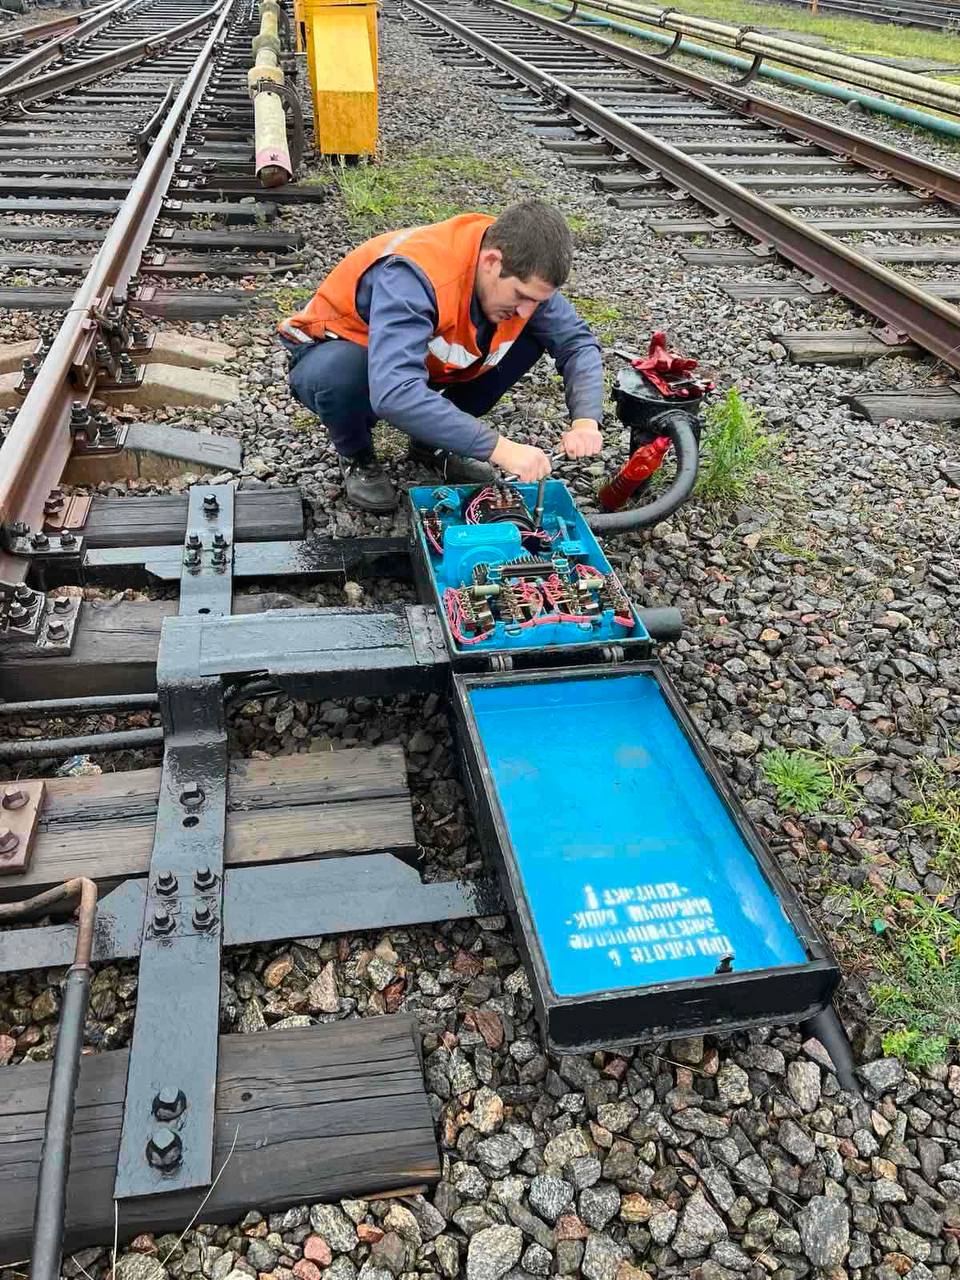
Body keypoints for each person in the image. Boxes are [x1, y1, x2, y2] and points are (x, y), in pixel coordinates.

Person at [278, 199, 604, 512]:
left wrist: (586, 421)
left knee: (532, 333)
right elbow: (394, 392)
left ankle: (429, 442)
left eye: (537, 301)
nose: (526, 310)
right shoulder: (413, 274)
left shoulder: (521, 271)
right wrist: (499, 448)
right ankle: (357, 456)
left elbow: (577, 343)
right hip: (334, 351)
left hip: (417, 360)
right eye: (520, 296)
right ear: (491, 262)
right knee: (341, 372)